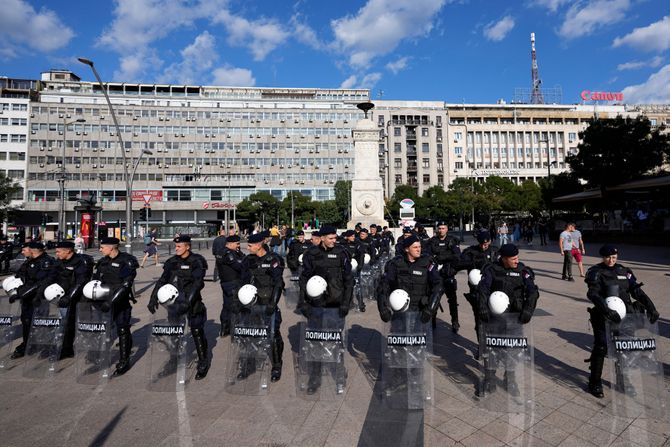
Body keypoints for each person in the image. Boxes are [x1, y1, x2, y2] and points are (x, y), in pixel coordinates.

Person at [584, 244, 659, 398]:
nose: (611, 260)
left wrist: (651, 307)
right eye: (607, 257)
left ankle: (623, 380)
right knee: (601, 347)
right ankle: (595, 381)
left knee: (624, 348)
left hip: (625, 317)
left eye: (614, 257)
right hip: (603, 316)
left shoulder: (624, 271)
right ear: (602, 257)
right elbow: (592, 293)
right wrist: (606, 310)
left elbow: (636, 291)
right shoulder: (596, 272)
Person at [477, 244, 539, 395]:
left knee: (513, 350)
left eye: (517, 257)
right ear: (504, 259)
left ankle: (510, 379)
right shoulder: (492, 270)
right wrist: (482, 307)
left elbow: (533, 291)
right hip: (494, 319)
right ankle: (490, 378)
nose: (517, 261)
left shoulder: (523, 271)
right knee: (491, 349)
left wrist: (529, 309)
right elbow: (482, 289)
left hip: (515, 318)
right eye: (513, 259)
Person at [298, 225, 353, 394]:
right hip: (316, 305)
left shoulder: (341, 253)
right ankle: (314, 377)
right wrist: (303, 303)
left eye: (335, 238)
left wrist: (346, 302)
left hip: (335, 305)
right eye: (331, 238)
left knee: (336, 341)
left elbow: (349, 280)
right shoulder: (311, 255)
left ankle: (339, 374)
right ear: (321, 238)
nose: (334, 240)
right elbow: (304, 279)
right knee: (315, 341)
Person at [148, 235, 210, 380]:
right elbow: (163, 280)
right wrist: (153, 297)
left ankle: (203, 361)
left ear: (187, 247)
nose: (176, 249)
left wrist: (187, 303)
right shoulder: (172, 262)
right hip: (174, 302)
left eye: (179, 246)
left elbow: (197, 283)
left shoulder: (197, 261)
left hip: (192, 301)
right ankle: (174, 358)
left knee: (196, 331)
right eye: (175, 246)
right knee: (174, 330)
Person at [239, 232, 285, 382]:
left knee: (273, 334)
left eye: (250, 245)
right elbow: (242, 282)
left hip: (268, 303)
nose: (248, 247)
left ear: (259, 245)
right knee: (250, 334)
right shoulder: (248, 260)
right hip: (252, 304)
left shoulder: (274, 260)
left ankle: (277, 365)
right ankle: (250, 363)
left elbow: (278, 283)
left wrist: (273, 303)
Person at [91, 237, 139, 376]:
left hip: (120, 302)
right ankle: (100, 355)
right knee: (102, 329)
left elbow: (126, 284)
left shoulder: (126, 261)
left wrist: (111, 302)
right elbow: (95, 281)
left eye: (102, 247)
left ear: (112, 247)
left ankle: (124, 360)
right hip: (103, 301)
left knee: (122, 329)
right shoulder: (103, 261)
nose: (100, 249)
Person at [377, 234, 443, 324]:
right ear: (407, 249)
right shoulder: (396, 264)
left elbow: (438, 285)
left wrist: (430, 308)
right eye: (415, 247)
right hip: (400, 310)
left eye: (419, 246)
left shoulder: (427, 263)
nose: (419, 249)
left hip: (421, 311)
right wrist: (383, 308)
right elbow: (384, 284)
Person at [10, 241, 58, 359]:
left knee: (40, 322)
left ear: (32, 251)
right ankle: (27, 344)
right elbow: (20, 277)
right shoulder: (28, 262)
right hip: (27, 297)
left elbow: (44, 281)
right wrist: (16, 291)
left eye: (25, 250)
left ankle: (44, 345)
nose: (23, 252)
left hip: (39, 298)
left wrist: (31, 293)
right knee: (26, 321)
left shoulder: (47, 262)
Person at [53, 240, 94, 359]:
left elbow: (81, 281)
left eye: (59, 251)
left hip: (80, 298)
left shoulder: (81, 262)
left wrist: (69, 297)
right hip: (63, 297)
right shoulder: (59, 262)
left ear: (68, 251)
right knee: (66, 324)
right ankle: (67, 349)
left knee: (85, 324)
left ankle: (91, 349)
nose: (57, 254)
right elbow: (52, 276)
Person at [458, 231, 497, 346]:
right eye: (482, 243)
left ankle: (493, 345)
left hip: (493, 290)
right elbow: (459, 262)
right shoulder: (471, 252)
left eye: (486, 243)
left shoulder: (495, 251)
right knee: (479, 319)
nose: (484, 245)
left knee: (494, 319)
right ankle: (482, 346)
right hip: (476, 292)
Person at [426, 221, 461, 332]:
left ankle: (455, 322)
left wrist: (442, 256)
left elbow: (457, 255)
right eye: (439, 228)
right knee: (434, 298)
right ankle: (432, 321)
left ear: (447, 229)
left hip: (448, 274)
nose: (441, 230)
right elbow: (427, 254)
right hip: (436, 275)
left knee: (452, 300)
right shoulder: (432, 241)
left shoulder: (452, 240)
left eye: (443, 228)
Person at [214, 235, 244, 337]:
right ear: (230, 244)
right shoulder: (229, 254)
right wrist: (239, 254)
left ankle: (224, 328)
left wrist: (238, 252)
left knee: (226, 306)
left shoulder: (221, 252)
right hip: (233, 283)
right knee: (235, 306)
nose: (238, 246)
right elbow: (239, 266)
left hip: (225, 283)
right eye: (237, 244)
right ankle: (235, 330)